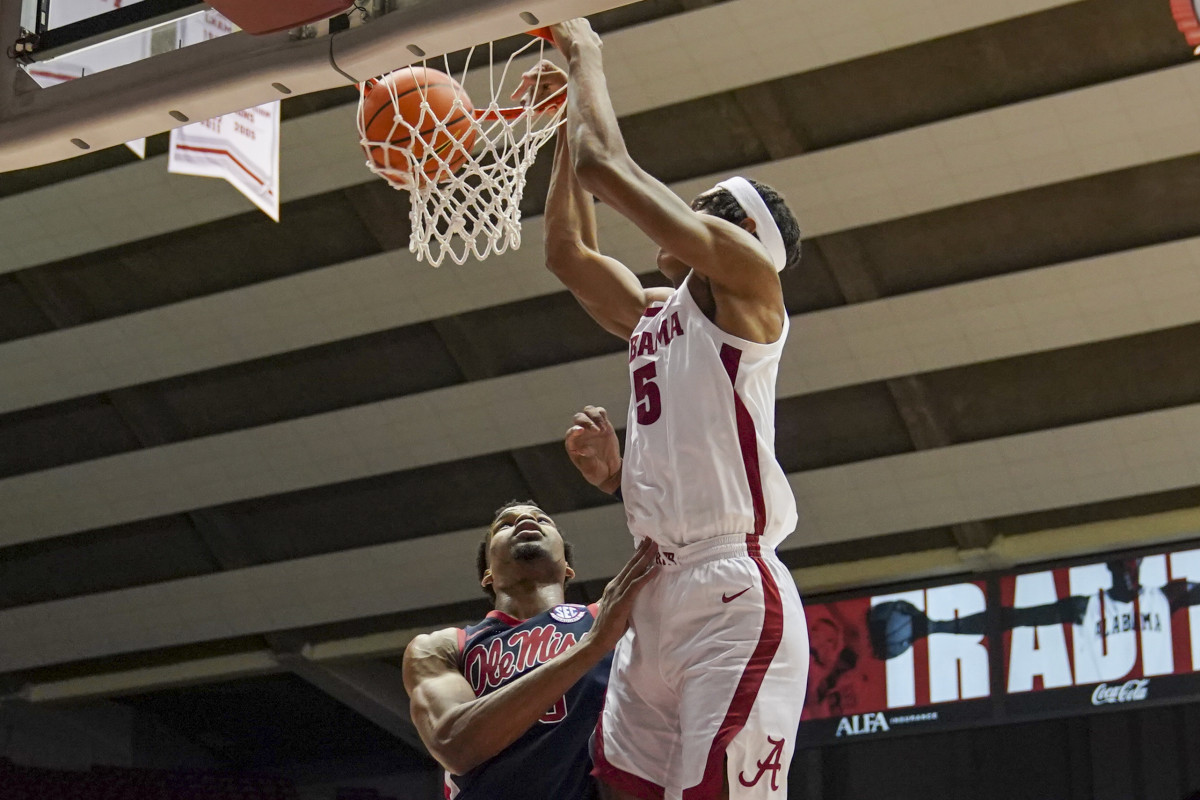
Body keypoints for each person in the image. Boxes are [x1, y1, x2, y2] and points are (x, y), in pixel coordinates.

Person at [529, 16, 809, 798]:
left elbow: (606, 166)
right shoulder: (660, 311)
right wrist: (561, 128)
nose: (687, 207)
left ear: (743, 237)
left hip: (731, 590)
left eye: (708, 205)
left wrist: (584, 57)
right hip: (651, 590)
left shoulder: (754, 294)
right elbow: (568, 254)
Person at [403, 501, 658, 800]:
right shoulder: (444, 646)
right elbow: (453, 743)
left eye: (542, 519)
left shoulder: (615, 616)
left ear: (567, 568)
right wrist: (592, 646)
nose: (525, 520)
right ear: (488, 574)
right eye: (505, 525)